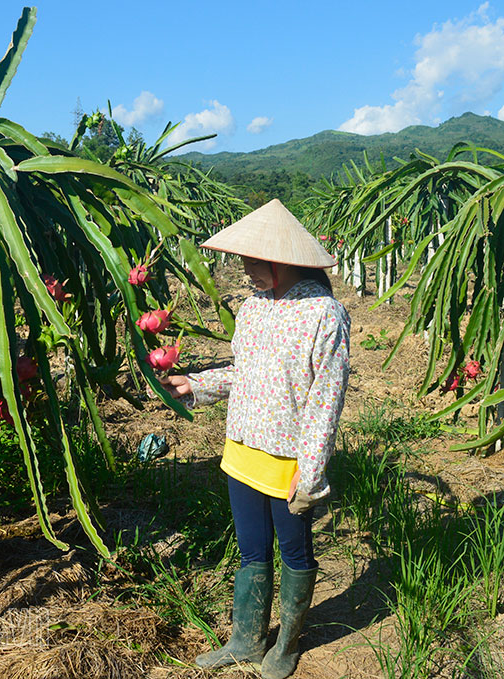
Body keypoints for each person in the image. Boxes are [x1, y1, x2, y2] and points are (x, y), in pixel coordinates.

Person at [160, 199, 350, 679]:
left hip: (288, 461)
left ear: (281, 259)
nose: (243, 268)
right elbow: (246, 375)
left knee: (294, 552)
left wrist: (310, 474)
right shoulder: (252, 309)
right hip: (242, 452)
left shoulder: (323, 314)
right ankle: (246, 639)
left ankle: (286, 644)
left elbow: (325, 402)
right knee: (251, 551)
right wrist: (195, 384)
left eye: (250, 258)